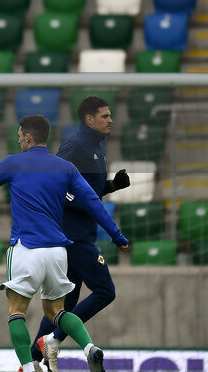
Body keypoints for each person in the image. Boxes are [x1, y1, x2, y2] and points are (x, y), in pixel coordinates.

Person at [0, 116, 129, 372]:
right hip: (58, 252)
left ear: (28, 137)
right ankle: (88, 348)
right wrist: (117, 235)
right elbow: (94, 203)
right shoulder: (66, 168)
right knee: (56, 311)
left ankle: (28, 367)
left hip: (26, 248)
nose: (18, 139)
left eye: (19, 135)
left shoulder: (14, 162)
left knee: (17, 311)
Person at [30, 96, 131, 371]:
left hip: (81, 233)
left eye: (111, 115)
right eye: (105, 116)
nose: (111, 120)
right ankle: (52, 340)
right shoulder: (75, 147)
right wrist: (84, 201)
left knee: (67, 301)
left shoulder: (98, 147)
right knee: (105, 291)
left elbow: (87, 191)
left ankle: (34, 356)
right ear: (89, 119)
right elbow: (53, 183)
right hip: (72, 236)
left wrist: (111, 186)